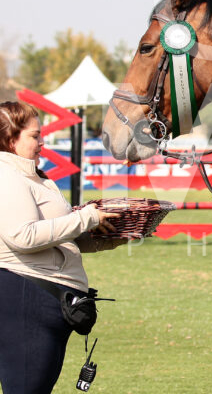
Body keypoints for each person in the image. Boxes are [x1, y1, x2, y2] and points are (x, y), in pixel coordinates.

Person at [0, 101, 121, 394]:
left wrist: (109, 237)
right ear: (10, 139)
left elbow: (58, 238)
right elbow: (22, 236)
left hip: (42, 297)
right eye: (34, 136)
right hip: (27, 296)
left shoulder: (31, 176)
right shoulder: (7, 175)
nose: (42, 142)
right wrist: (86, 217)